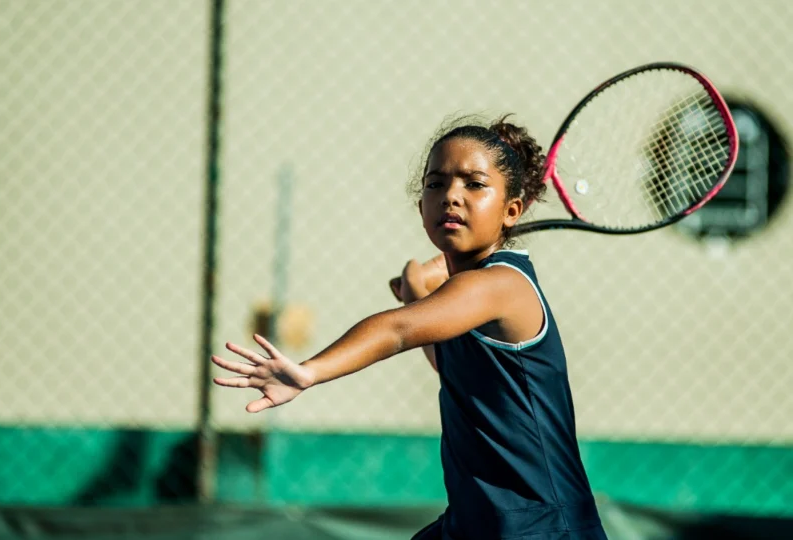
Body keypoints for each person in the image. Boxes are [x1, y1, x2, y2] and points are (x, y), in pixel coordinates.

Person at [211, 115, 607, 539]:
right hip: (473, 526)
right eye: (436, 183)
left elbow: (399, 329)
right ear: (422, 208)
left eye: (474, 184)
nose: (452, 196)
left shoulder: (500, 285)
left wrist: (310, 371)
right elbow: (453, 364)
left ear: (512, 210)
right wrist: (418, 293)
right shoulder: (463, 296)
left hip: (544, 529)